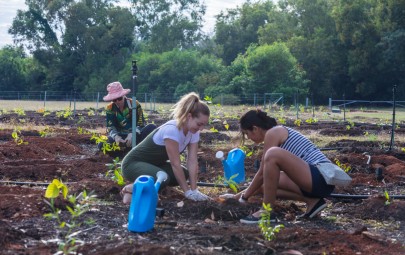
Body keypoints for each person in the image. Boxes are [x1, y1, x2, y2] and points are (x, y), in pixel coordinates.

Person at [229, 109, 335, 224]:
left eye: (246, 133)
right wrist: (235, 198)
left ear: (255, 128)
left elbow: (261, 172)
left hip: (321, 177)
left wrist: (243, 198)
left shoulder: (274, 132)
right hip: (318, 183)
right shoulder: (276, 133)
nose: (248, 138)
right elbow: (264, 178)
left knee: (272, 154)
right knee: (266, 184)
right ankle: (313, 201)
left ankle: (266, 211)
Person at [120, 92, 211, 203]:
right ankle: (131, 188)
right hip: (133, 164)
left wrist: (194, 190)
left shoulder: (193, 132)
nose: (201, 128)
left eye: (204, 125)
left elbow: (192, 161)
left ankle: (145, 188)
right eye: (199, 124)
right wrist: (187, 193)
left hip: (154, 165)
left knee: (185, 173)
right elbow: (175, 164)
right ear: (189, 116)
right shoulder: (172, 130)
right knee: (163, 178)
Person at [101, 81, 156, 149]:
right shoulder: (110, 108)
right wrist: (116, 137)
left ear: (124, 96)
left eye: (119, 98)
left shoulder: (134, 104)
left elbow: (141, 123)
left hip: (136, 135)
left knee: (151, 127)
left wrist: (132, 134)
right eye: (114, 100)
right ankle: (122, 153)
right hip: (121, 137)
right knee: (101, 144)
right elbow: (111, 126)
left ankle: (139, 149)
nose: (117, 101)